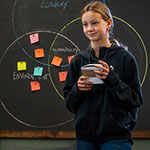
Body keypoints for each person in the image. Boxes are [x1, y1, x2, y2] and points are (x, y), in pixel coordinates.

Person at [63, 1, 143, 150]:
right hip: (85, 138)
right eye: (85, 25)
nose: (89, 29)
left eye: (94, 23)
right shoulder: (78, 61)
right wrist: (78, 89)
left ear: (108, 23)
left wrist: (111, 79)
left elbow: (136, 99)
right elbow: (70, 104)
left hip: (117, 137)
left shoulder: (125, 59)